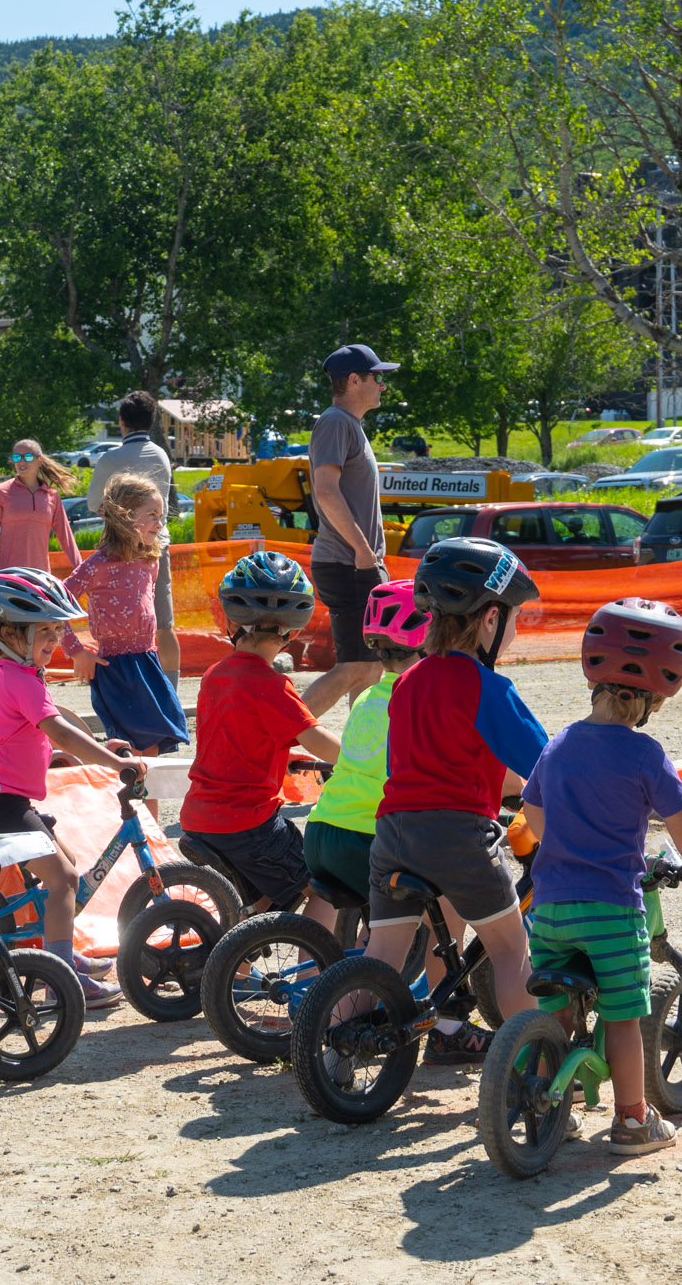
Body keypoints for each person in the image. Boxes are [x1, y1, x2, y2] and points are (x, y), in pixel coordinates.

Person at [519, 598, 682, 1155]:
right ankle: (633, 1119)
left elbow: (533, 819)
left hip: (551, 910)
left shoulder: (557, 746)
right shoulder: (644, 755)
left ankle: (547, 1096)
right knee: (626, 1017)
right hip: (610, 909)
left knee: (555, 1008)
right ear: (649, 700)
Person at [361, 536, 547, 1066]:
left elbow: (404, 767)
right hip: (459, 835)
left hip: (394, 832)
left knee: (381, 957)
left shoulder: (408, 681)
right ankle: (535, 1066)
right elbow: (547, 768)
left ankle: (330, 1047)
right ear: (489, 619)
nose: (513, 631)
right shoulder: (487, 685)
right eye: (513, 618)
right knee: (511, 949)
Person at [0, 568, 147, 1009]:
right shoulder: (20, 679)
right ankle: (58, 979)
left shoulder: (15, 673)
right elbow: (60, 733)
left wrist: (102, 748)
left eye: (56, 630)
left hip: (1, 798)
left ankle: (57, 953)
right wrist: (116, 762)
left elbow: (40, 736)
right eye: (42, 630)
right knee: (62, 880)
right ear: (6, 632)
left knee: (69, 865)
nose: (53, 640)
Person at [303, 579, 465, 989]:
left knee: (339, 903)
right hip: (366, 838)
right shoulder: (418, 698)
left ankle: (307, 977)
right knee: (434, 911)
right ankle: (424, 1006)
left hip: (322, 830)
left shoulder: (367, 697)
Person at [181, 553, 344, 929]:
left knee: (264, 903)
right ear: (293, 631)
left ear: (231, 621)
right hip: (247, 822)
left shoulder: (214, 675)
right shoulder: (273, 684)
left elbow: (233, 738)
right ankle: (316, 979)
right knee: (325, 886)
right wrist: (364, 759)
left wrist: (278, 756)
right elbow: (316, 739)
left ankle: (232, 971)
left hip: (201, 815)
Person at [59, 473, 189, 756]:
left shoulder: (149, 561)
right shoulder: (96, 566)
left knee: (153, 744)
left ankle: (145, 801)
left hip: (147, 660)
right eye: (152, 515)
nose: (160, 522)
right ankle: (130, 799)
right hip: (114, 668)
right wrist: (77, 652)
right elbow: (55, 606)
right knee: (129, 746)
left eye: (161, 515)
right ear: (125, 516)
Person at [304, 343, 398, 718]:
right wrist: (362, 551)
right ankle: (276, 736)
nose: (383, 385)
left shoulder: (347, 425)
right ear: (355, 380)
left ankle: (359, 754)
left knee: (372, 669)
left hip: (354, 563)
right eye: (377, 377)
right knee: (358, 667)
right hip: (346, 563)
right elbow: (325, 491)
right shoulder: (335, 422)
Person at [87, 392, 180, 683]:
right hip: (156, 542)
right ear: (152, 421)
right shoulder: (162, 456)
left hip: (120, 548)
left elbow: (93, 503)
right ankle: (170, 692)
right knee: (163, 622)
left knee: (119, 623)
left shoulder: (110, 459)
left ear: (121, 422)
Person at [0, 440, 81, 573]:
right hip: (7, 576)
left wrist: (81, 569)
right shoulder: (0, 492)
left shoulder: (52, 495)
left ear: (39, 461)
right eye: (17, 457)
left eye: (28, 457)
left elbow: (65, 535)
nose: (22, 462)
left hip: (40, 577)